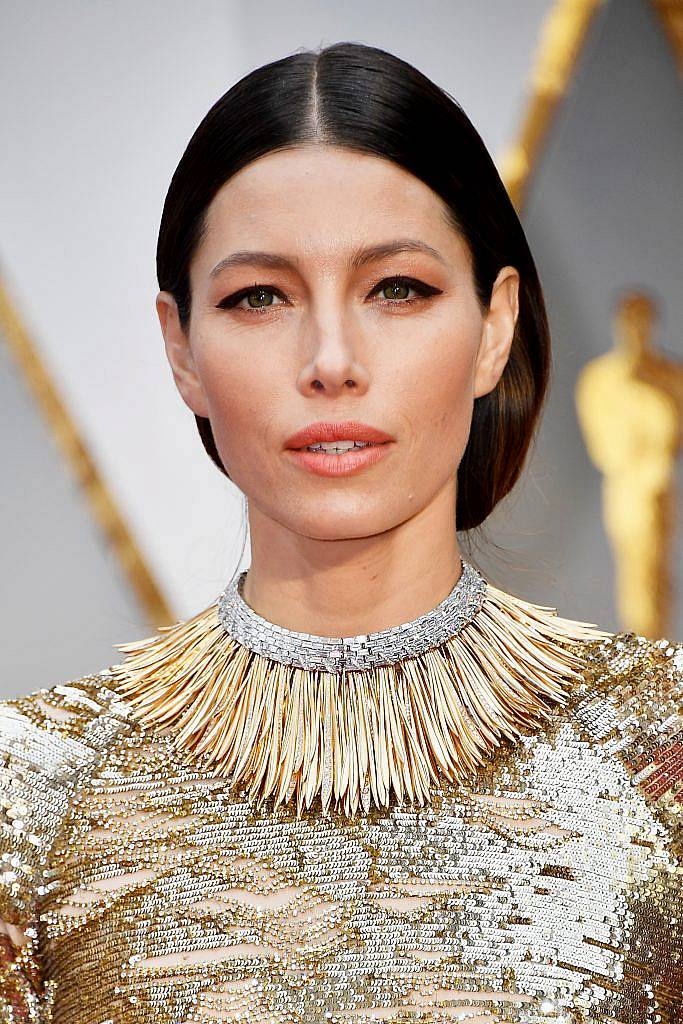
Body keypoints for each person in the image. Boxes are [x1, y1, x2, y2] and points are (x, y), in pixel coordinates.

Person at [1, 40, 681, 1024]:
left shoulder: (658, 756)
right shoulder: (31, 795)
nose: (330, 359)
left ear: (495, 325)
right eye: (257, 297)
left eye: (396, 288)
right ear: (180, 348)